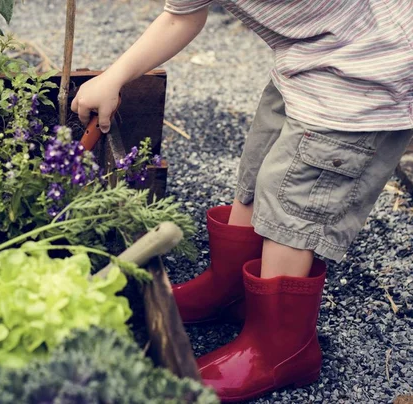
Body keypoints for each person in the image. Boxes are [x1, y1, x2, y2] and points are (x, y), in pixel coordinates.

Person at [71, 1, 413, 401]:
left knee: (297, 192)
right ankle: (231, 289)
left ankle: (280, 348)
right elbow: (183, 15)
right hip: (307, 60)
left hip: (365, 72)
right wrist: (114, 77)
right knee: (261, 163)